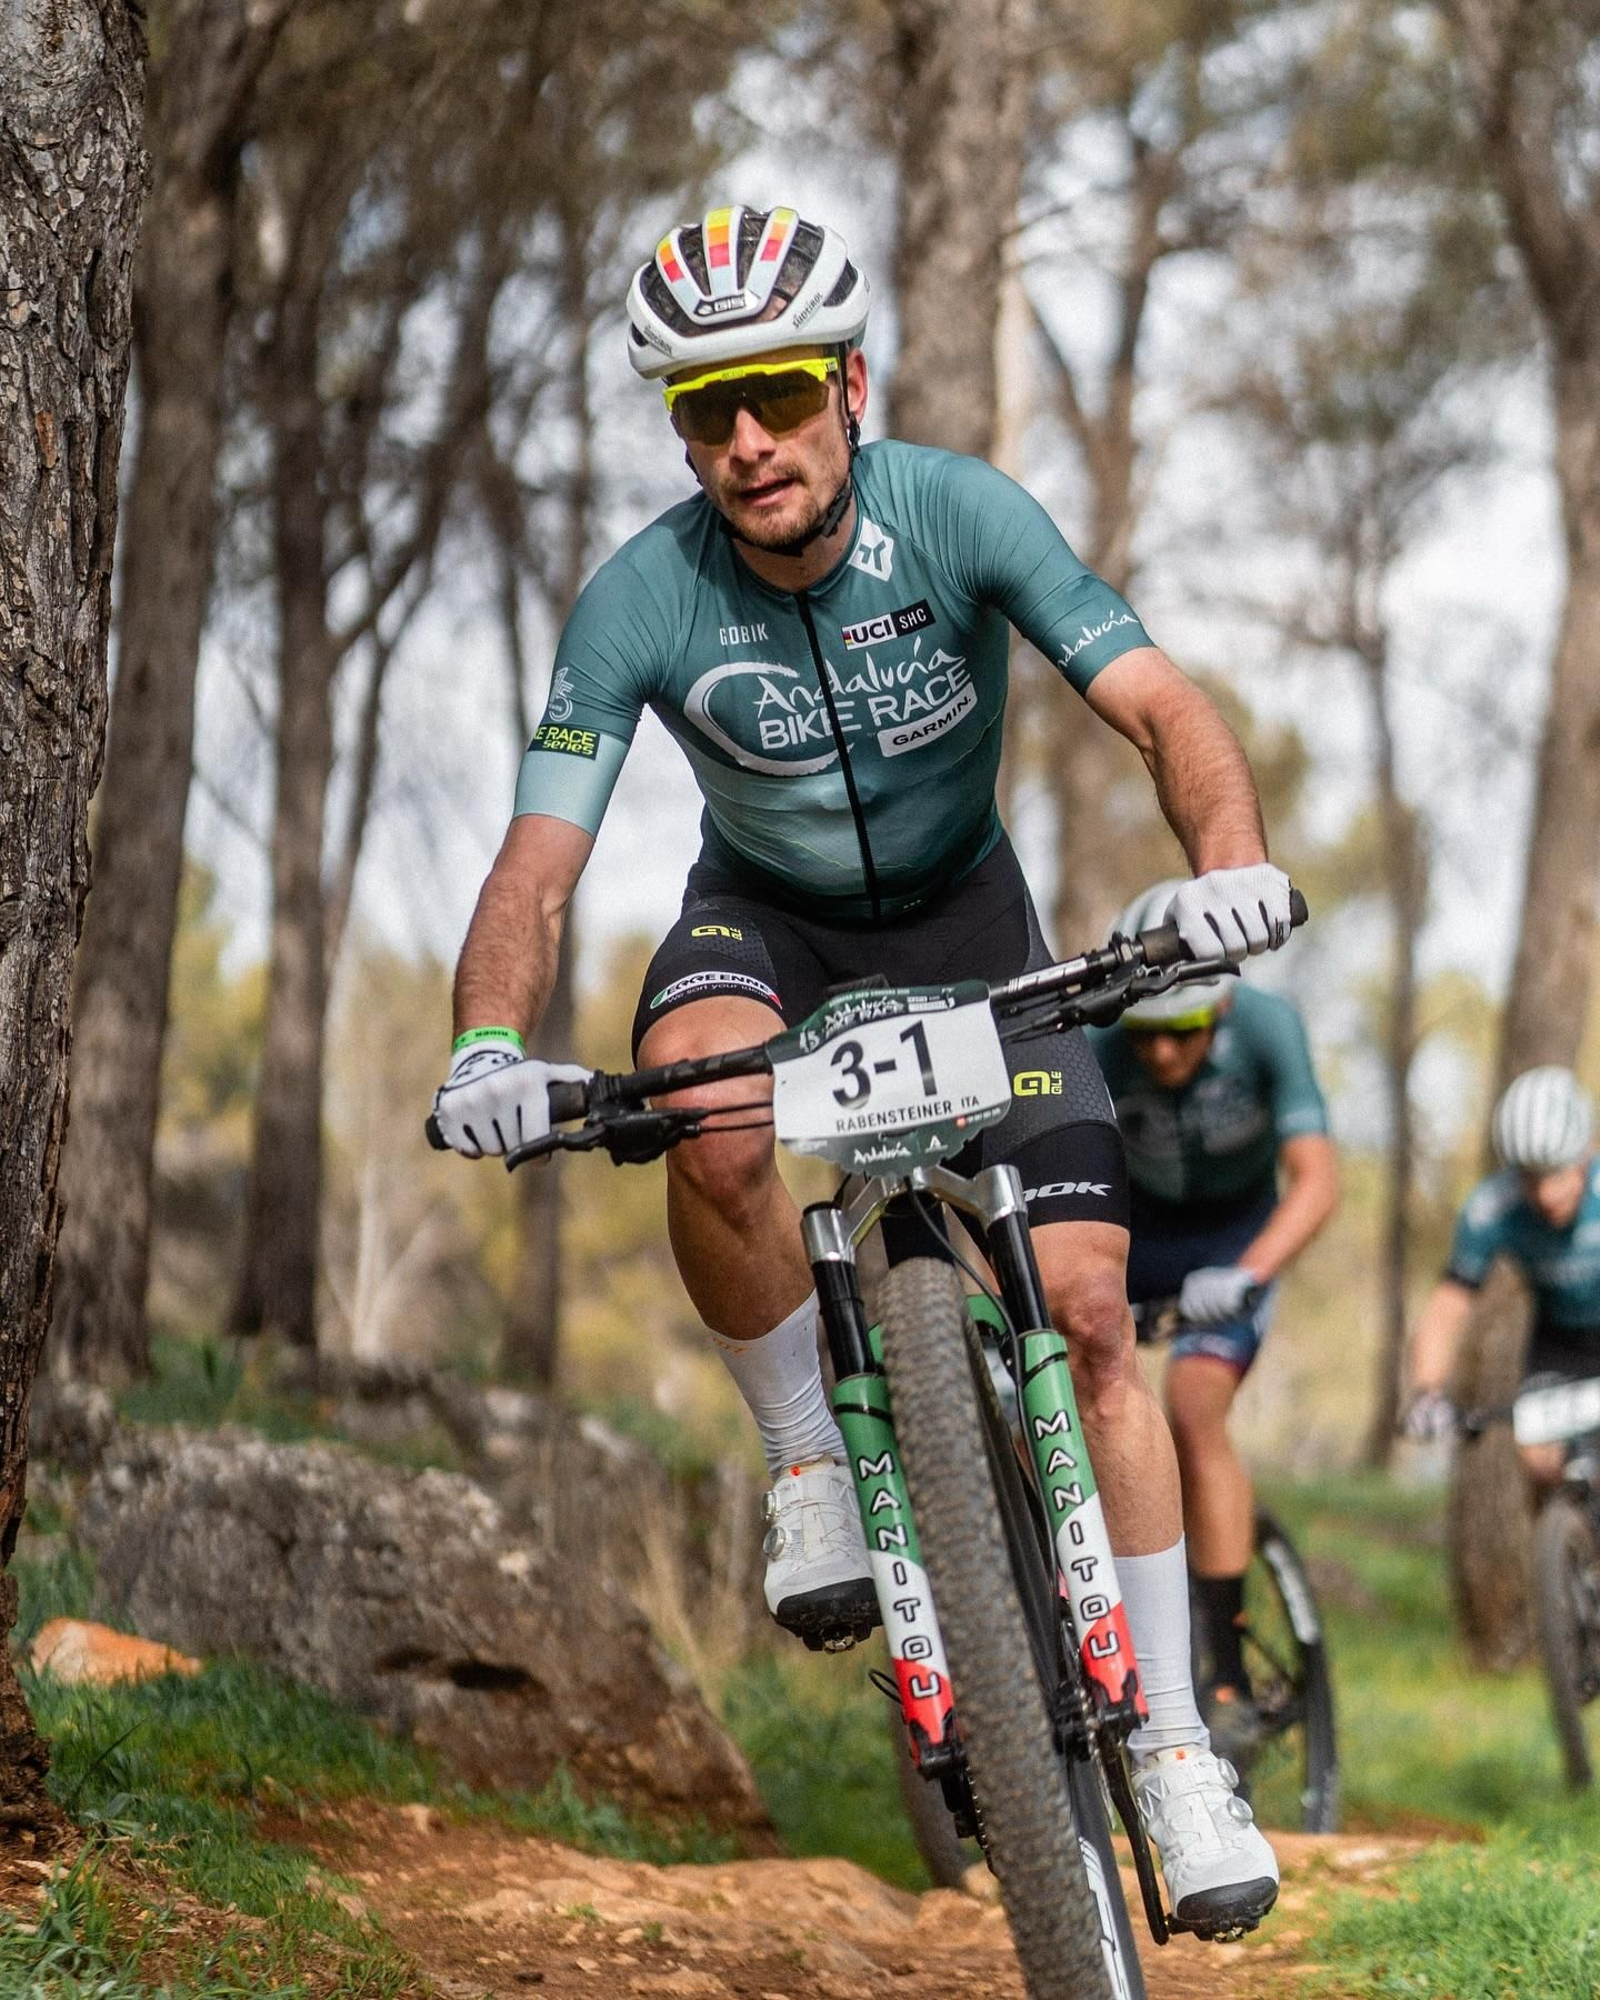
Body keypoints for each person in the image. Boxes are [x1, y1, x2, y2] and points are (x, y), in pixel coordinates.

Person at [431, 202, 1289, 1931]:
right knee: (696, 1098)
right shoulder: (641, 599)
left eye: (774, 393)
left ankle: (1180, 1749)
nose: (745, 440)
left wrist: (1225, 861)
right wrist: (485, 1043)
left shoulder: (956, 512)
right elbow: (540, 859)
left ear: (847, 386)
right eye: (703, 409)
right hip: (769, 925)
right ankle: (812, 1460)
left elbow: (1159, 704)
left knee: (1102, 1316)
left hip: (973, 920)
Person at [1088, 881, 1339, 1758]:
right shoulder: (1098, 1040)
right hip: (1141, 1235)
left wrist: (1248, 1273)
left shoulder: (1268, 1027)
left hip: (1235, 1240)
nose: (1160, 1055)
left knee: (1196, 1405)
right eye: (1147, 1032)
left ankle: (1225, 1674)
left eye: (1183, 1033)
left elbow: (1317, 1180)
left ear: (1221, 1004)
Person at [1405, 1065, 1600, 1488]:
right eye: (1531, 1177)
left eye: (1558, 1173)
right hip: (1560, 1343)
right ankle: (1567, 1545)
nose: (1546, 1195)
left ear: (1586, 1155)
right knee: (1541, 1459)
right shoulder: (1491, 1208)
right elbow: (1448, 1306)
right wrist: (1428, 1392)